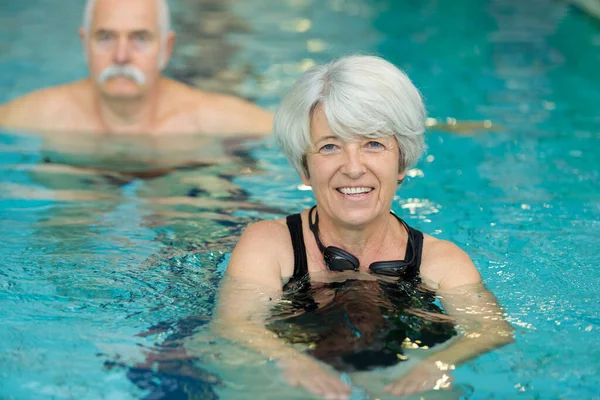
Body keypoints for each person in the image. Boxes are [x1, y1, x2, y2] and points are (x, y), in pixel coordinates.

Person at [212, 55, 514, 399]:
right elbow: (235, 325)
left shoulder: (441, 261)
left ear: (401, 160)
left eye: (373, 143)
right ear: (304, 168)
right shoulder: (270, 245)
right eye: (330, 146)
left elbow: (491, 329)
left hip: (398, 363)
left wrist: (436, 364)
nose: (353, 168)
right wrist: (290, 361)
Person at [0, 0, 272, 135]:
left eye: (139, 38)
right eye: (105, 37)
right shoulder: (41, 116)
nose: (121, 56)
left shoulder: (205, 121)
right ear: (85, 44)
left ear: (166, 49)